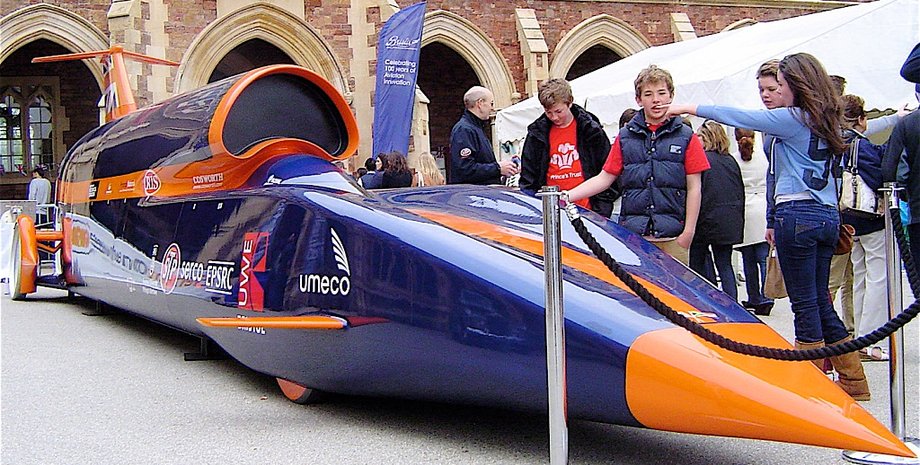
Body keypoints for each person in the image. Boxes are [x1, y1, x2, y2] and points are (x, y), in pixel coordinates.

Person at [666, 53, 870, 401]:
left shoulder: (792, 118)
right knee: (820, 301)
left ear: (795, 84)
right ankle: (852, 380)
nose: (775, 91)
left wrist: (690, 106)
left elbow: (740, 116)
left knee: (805, 305)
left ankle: (808, 387)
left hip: (798, 216)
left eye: (781, 84)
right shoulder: (827, 119)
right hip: (825, 217)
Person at [566, 65, 710, 265]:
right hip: (635, 236)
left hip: (673, 236)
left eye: (661, 93)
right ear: (638, 100)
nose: (656, 100)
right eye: (648, 94)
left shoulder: (686, 136)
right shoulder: (626, 137)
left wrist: (688, 232)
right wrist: (566, 196)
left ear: (671, 96)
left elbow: (695, 186)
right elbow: (605, 177)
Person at [519, 78, 614, 217]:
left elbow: (608, 171)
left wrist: (602, 208)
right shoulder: (536, 134)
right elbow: (528, 179)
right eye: (548, 112)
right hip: (550, 212)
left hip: (590, 212)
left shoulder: (591, 130)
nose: (554, 117)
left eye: (558, 111)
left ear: (569, 103)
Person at [840, 94, 889, 361]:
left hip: (846, 219)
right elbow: (879, 176)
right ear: (861, 119)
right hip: (869, 218)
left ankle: (859, 335)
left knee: (859, 276)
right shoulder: (862, 146)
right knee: (877, 276)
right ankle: (873, 340)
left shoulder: (833, 142)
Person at [689, 121, 744, 301]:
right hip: (729, 220)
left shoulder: (703, 161)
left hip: (706, 219)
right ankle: (732, 304)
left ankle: (707, 301)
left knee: (698, 264)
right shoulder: (730, 161)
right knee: (725, 264)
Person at [732, 128, 773, 315]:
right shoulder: (764, 157)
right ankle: (767, 296)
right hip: (762, 206)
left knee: (748, 259)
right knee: (764, 257)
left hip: (744, 210)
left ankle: (754, 296)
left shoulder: (733, 158)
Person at [449, 86, 518, 184]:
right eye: (491, 103)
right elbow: (465, 169)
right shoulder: (464, 130)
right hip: (473, 196)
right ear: (480, 103)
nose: (492, 108)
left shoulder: (475, 128)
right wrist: (498, 168)